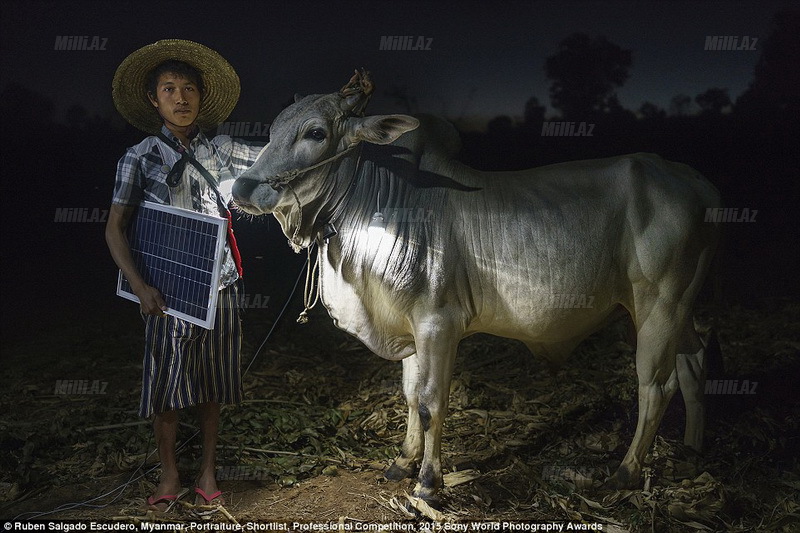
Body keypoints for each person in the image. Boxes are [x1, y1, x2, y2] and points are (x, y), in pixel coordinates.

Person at [105, 39, 264, 513]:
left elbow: (280, 157)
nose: (181, 97)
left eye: (189, 88)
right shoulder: (140, 156)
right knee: (167, 386)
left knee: (213, 382)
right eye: (169, 89)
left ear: (200, 97)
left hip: (220, 285)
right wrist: (139, 285)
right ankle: (169, 472)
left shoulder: (223, 151)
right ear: (154, 100)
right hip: (165, 290)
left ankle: (209, 470)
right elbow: (115, 229)